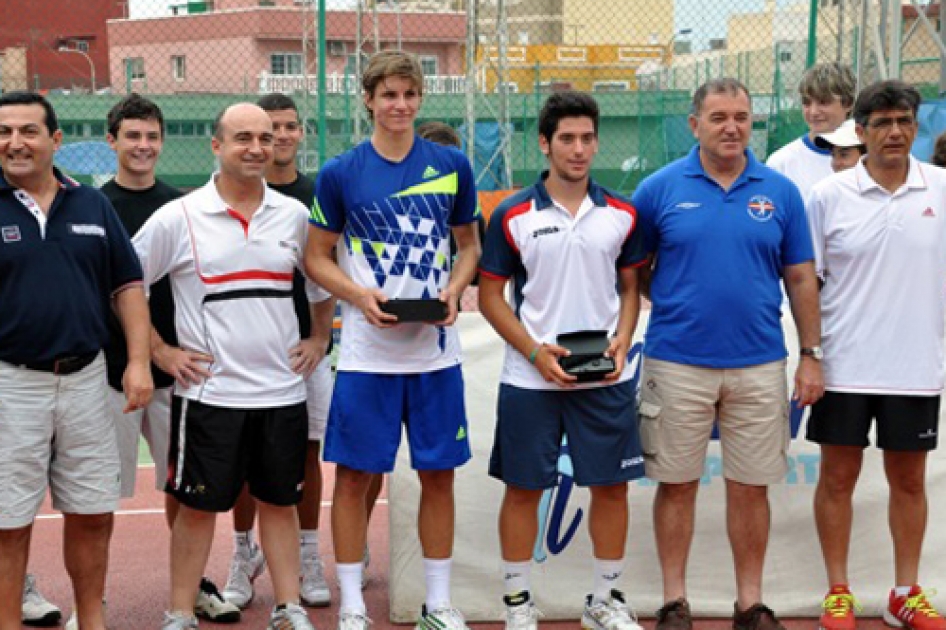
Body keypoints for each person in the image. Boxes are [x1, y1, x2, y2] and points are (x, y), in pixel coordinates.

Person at [632, 78, 824, 630]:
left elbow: (801, 277)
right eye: (718, 117)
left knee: (751, 486)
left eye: (741, 116)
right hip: (675, 360)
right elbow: (635, 273)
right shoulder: (659, 189)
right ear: (694, 125)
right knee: (676, 484)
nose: (732, 127)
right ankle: (674, 602)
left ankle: (750, 603)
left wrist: (810, 354)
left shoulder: (780, 191)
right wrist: (677, 302)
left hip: (760, 362)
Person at [305, 50, 480, 630]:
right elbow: (315, 256)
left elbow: (469, 245)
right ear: (369, 100)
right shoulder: (340, 172)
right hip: (364, 355)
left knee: (438, 475)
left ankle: (437, 601)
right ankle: (353, 603)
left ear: (420, 98)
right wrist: (359, 298)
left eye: (408, 94)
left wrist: (454, 290)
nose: (399, 105)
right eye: (388, 95)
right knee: (354, 478)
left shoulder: (452, 164)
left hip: (434, 354)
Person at [133, 102, 325, 630]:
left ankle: (288, 609)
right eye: (243, 138)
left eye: (265, 137)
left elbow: (320, 285)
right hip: (209, 397)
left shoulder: (294, 216)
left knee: (280, 504)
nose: (258, 147)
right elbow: (126, 284)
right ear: (216, 146)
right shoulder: (180, 216)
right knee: (197, 511)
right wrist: (159, 350)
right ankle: (179, 612)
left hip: (282, 393)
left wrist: (319, 338)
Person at [478, 90, 646, 630]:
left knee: (611, 487)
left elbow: (630, 289)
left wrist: (622, 338)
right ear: (545, 144)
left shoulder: (622, 213)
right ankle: (517, 606)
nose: (578, 149)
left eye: (587, 138)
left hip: (603, 376)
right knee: (525, 489)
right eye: (567, 139)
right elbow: (489, 297)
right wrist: (533, 351)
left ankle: (603, 602)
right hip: (531, 378)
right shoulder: (511, 215)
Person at [0, 91, 153, 630]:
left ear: (54, 139)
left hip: (87, 379)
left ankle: (92, 618)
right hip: (10, 385)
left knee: (92, 511)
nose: (14, 142)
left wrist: (138, 362)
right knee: (7, 520)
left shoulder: (91, 204)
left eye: (28, 131)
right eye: (4, 132)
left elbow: (128, 286)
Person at [806, 79, 946, 630]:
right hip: (844, 367)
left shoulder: (941, 188)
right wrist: (812, 354)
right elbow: (806, 284)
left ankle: (904, 594)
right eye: (882, 122)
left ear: (916, 127)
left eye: (904, 121)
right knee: (836, 479)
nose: (895, 131)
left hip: (915, 369)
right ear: (859, 132)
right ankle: (837, 591)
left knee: (909, 483)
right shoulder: (826, 197)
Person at [99, 93, 239, 626]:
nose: (143, 146)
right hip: (109, 374)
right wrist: (149, 349)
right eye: (131, 136)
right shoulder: (93, 208)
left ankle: (194, 587)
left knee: (185, 490)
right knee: (94, 499)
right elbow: (111, 291)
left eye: (151, 136)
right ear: (112, 141)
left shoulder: (183, 208)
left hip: (176, 377)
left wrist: (166, 354)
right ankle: (94, 600)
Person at [222, 93, 337, 610]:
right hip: (240, 357)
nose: (280, 137)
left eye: (288, 128)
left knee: (307, 453)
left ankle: (308, 553)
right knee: (243, 460)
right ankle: (243, 553)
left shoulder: (313, 199)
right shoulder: (221, 200)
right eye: (270, 129)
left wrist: (320, 338)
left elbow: (326, 275)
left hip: (299, 354)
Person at [767, 62, 856, 200]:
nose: (813, 112)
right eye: (806, 103)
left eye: (824, 102)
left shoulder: (868, 160)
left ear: (848, 103)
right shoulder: (781, 163)